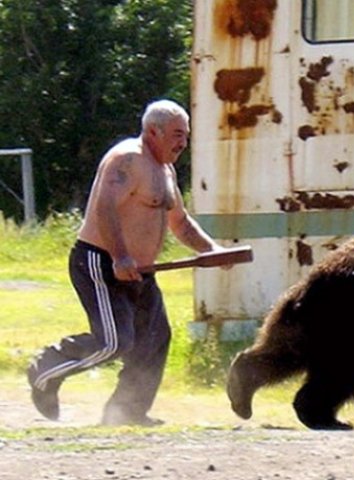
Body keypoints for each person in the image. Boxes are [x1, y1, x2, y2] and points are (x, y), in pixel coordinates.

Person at [27, 99, 225, 426]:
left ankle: (126, 412)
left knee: (154, 339)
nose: (183, 143)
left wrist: (212, 250)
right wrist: (119, 255)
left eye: (186, 136)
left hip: (140, 272)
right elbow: (105, 208)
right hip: (100, 264)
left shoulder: (165, 169)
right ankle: (47, 367)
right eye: (177, 135)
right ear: (153, 131)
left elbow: (181, 223)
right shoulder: (127, 160)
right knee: (114, 341)